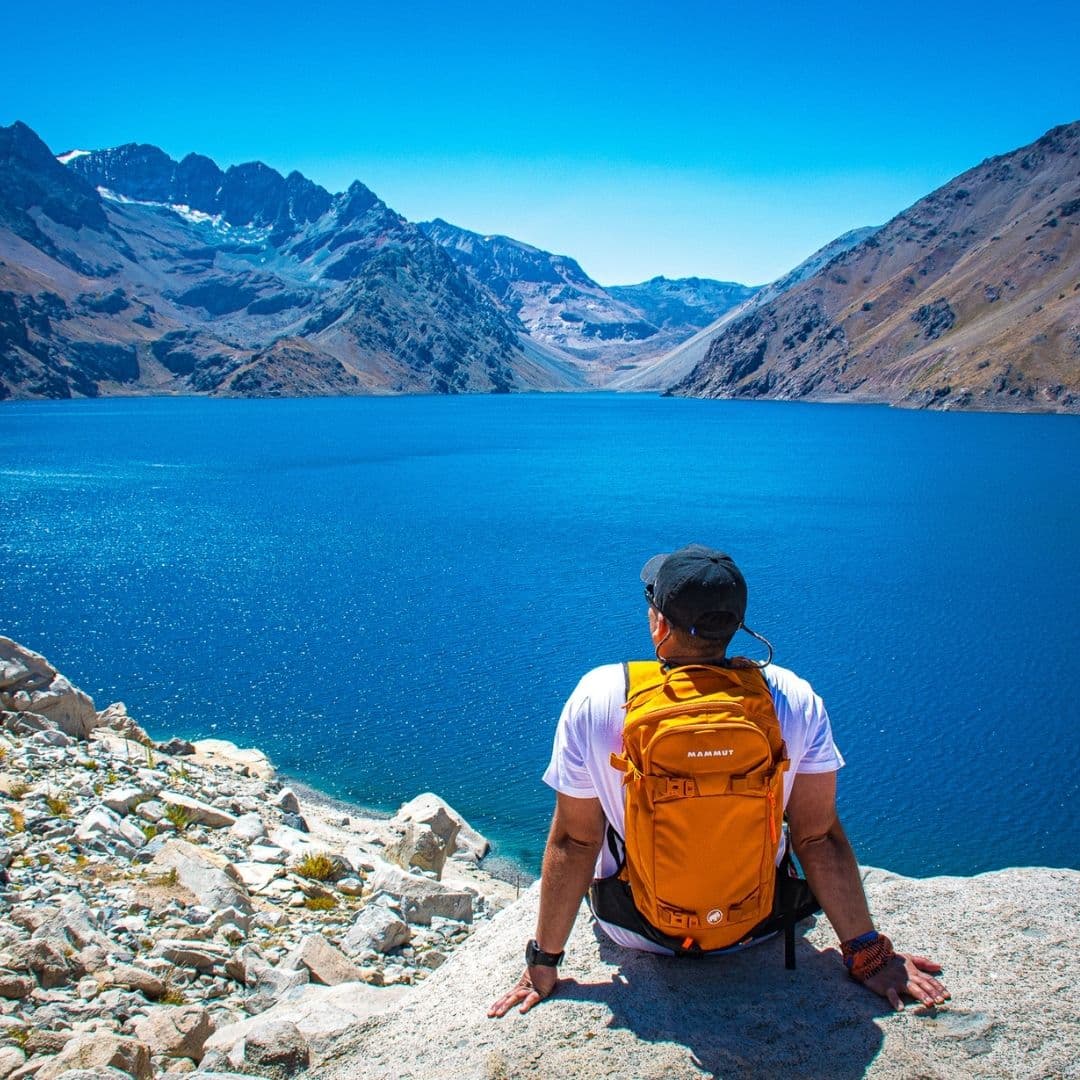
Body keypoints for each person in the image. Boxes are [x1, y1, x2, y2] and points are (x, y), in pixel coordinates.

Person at [489, 544, 950, 1018]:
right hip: (756, 929)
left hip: (636, 929)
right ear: (735, 624)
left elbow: (574, 840)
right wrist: (868, 954)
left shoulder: (601, 697)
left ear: (659, 625)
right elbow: (817, 836)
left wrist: (542, 964)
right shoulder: (792, 697)